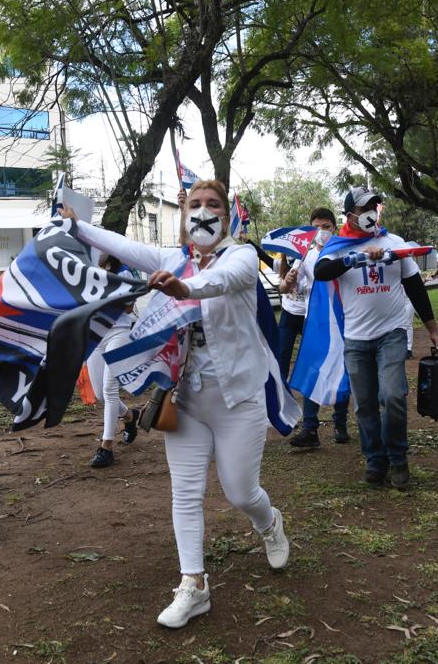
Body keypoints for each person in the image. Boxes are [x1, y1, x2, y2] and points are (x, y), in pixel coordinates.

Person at [61, 180, 289, 629]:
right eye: (194, 205)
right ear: (184, 215)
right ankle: (194, 585)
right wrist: (78, 226)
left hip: (238, 398)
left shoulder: (240, 255)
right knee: (185, 493)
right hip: (183, 398)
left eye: (213, 205)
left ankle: (269, 524)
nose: (203, 211)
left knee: (241, 491)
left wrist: (184, 290)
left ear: (227, 216)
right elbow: (122, 244)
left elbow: (220, 281)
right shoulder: (171, 258)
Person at [313, 188, 438, 488]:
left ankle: (398, 457)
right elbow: (322, 271)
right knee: (366, 404)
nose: (372, 211)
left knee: (393, 396)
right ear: (350, 215)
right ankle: (375, 459)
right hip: (356, 339)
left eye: (375, 206)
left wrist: (432, 328)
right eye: (364, 207)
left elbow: (414, 286)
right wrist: (354, 259)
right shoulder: (338, 246)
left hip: (392, 333)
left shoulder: (393, 243)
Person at [278, 208, 350, 448]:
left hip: (343, 320)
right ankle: (310, 428)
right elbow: (286, 289)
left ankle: (341, 423)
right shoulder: (304, 257)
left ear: (334, 227)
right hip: (315, 322)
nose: (321, 232)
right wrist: (287, 282)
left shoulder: (343, 249)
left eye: (326, 226)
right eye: (316, 227)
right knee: (313, 370)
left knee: (341, 370)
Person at [85, 254, 140, 468]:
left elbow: (127, 307)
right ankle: (129, 416)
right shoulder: (86, 270)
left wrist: (106, 290)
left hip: (119, 332)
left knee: (109, 390)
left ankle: (106, 447)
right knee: (100, 394)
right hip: (94, 333)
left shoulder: (124, 271)